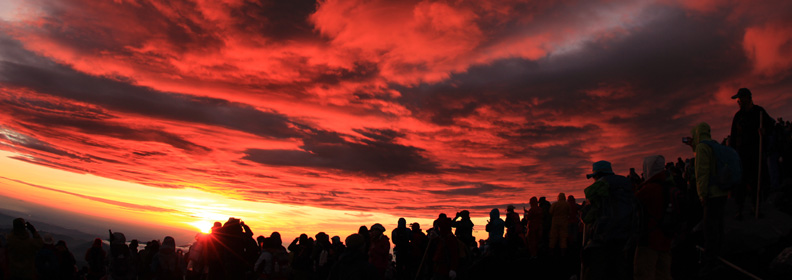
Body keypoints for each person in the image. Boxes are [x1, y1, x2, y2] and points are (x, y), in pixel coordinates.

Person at [582, 160, 636, 280]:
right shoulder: (626, 184)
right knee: (619, 271)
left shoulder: (599, 187)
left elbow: (587, 217)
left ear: (596, 175)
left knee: (598, 272)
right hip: (625, 235)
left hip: (603, 236)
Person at [729, 88, 775, 219]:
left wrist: (764, 131)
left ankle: (756, 206)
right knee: (741, 182)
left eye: (740, 98)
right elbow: (733, 136)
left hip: (756, 152)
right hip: (741, 154)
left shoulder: (759, 112)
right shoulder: (738, 116)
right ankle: (739, 208)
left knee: (757, 181)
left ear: (748, 98)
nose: (738, 101)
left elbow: (771, 125)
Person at [690, 122, 728, 274]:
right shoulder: (715, 145)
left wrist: (702, 194)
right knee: (718, 225)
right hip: (722, 192)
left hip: (711, 194)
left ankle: (710, 261)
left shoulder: (702, 148)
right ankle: (720, 254)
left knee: (709, 228)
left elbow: (702, 173)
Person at [634, 155, 673, 280]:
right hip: (666, 238)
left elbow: (634, 206)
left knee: (644, 273)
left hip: (648, 239)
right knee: (663, 274)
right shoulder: (669, 187)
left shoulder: (648, 190)